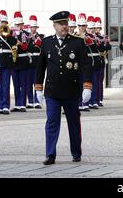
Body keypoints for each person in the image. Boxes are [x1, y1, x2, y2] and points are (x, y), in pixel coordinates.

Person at [35, 11, 93, 165]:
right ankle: (50, 154)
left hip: (71, 90)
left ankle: (76, 152)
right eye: (61, 24)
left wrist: (87, 86)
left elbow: (85, 65)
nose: (65, 26)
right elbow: (40, 67)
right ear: (54, 26)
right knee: (52, 123)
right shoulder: (46, 42)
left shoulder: (77, 42)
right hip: (52, 91)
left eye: (66, 23)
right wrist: (38, 88)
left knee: (74, 122)